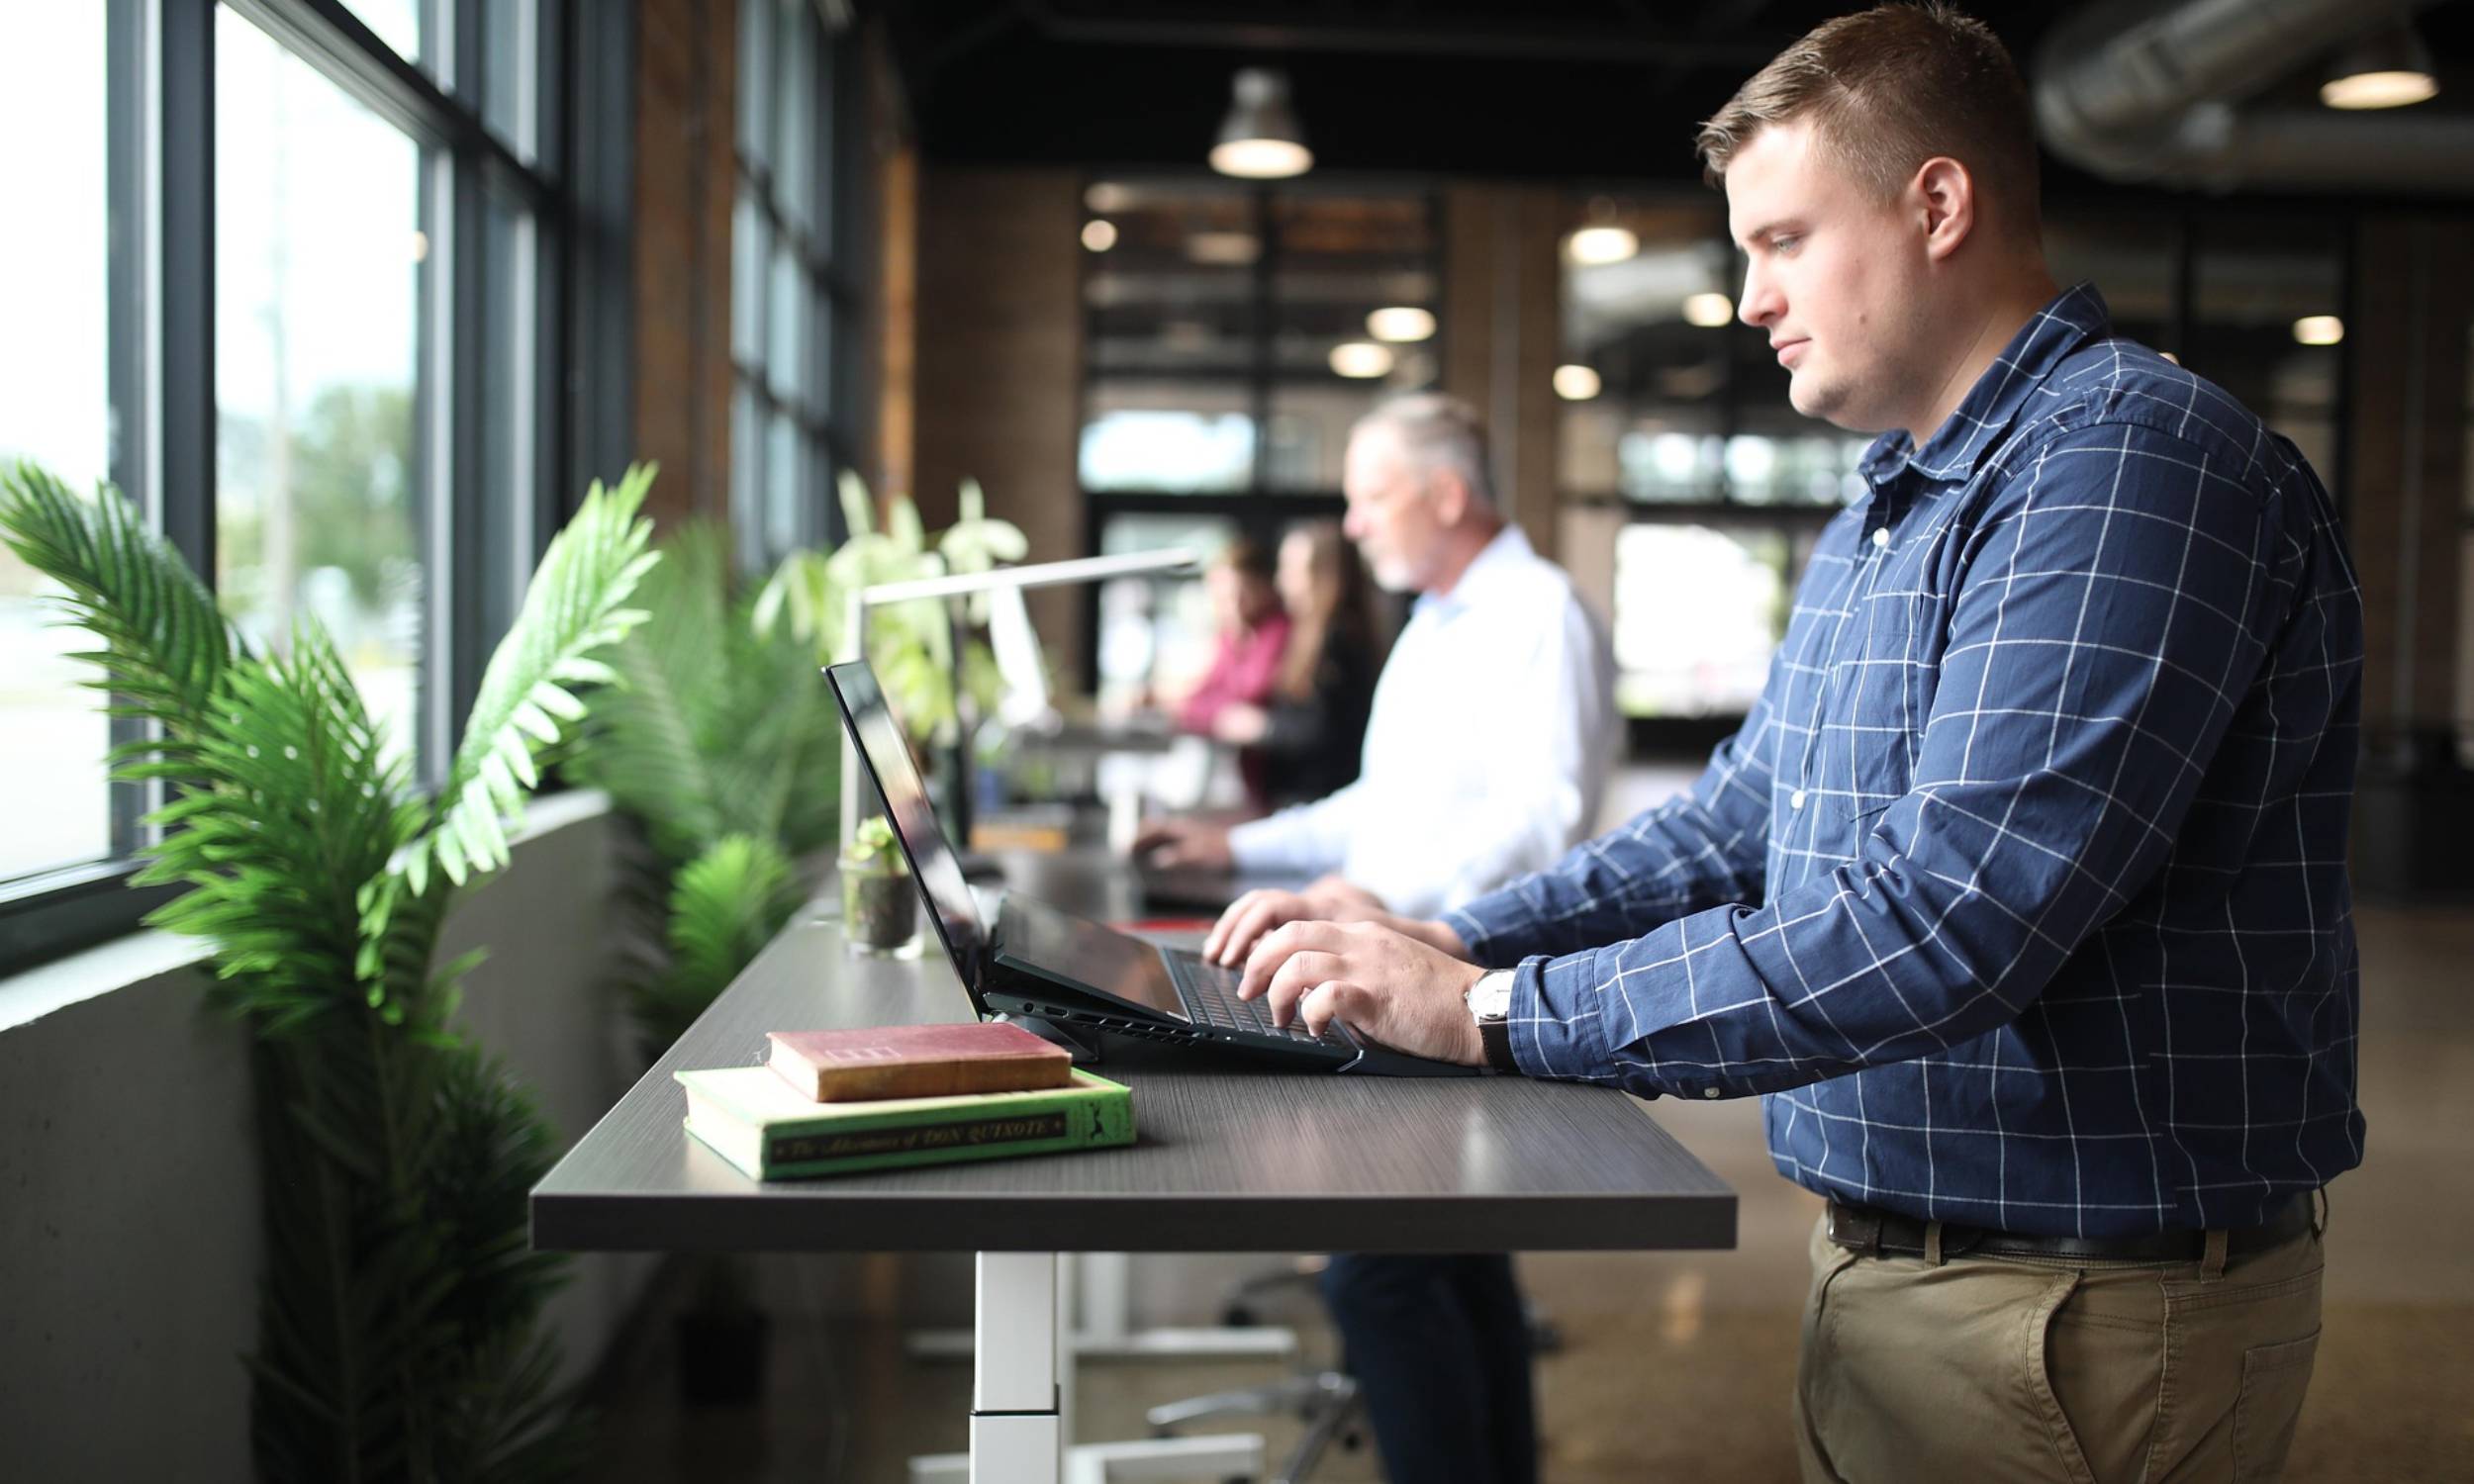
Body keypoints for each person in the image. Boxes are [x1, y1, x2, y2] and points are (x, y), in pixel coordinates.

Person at [1211, 8, 2363, 1482]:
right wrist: (1440, 937)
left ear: (1936, 204)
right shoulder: (1895, 503)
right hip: (1919, 1270)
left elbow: (1950, 917)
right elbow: (1734, 828)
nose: (1750, 297)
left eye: (1783, 240)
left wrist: (1493, 1010)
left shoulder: (2128, 465)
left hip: (2078, 1302)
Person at [1138, 393, 1617, 1484]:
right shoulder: (1434, 620)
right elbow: (1369, 810)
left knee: (1379, 1276)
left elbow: (1542, 826)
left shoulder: (1536, 613)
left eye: (1370, 496)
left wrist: (1395, 918)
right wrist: (1235, 847)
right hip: (1380, 964)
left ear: (1446, 496)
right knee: (1454, 1260)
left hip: (1439, 980)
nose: (1351, 525)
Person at [1209, 520, 1385, 808]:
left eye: (1292, 570)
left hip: (1318, 803)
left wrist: (1264, 728)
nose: (1282, 581)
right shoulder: (1311, 633)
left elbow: (1328, 730)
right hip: (1301, 801)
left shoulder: (1340, 639)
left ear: (1322, 575)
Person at [1167, 539, 1290, 807]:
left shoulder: (1281, 633)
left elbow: (1250, 695)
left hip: (1284, 782)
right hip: (1252, 781)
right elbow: (1202, 699)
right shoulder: (1232, 639)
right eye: (1221, 598)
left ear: (1265, 588)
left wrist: (1209, 708)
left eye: (1240, 594)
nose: (1231, 607)